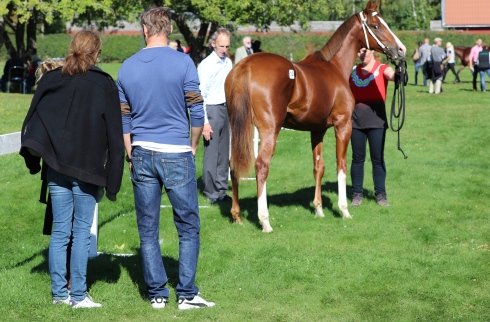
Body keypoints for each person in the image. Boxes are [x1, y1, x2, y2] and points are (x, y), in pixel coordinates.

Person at [116, 7, 215, 310]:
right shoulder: (184, 62)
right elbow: (196, 111)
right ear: (169, 29)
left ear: (145, 29)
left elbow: (124, 117)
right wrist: (194, 144)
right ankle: (186, 294)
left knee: (148, 228)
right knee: (188, 226)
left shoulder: (126, 67)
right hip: (176, 152)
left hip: (141, 152)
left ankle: (157, 293)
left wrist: (130, 151)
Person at [19, 30, 124, 308]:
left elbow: (32, 120)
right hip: (87, 169)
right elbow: (115, 132)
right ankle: (77, 295)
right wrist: (114, 179)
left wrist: (36, 158)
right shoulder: (103, 84)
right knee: (79, 232)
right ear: (97, 53)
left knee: (61, 231)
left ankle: (59, 295)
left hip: (57, 166)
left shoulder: (53, 79)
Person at [349, 48, 400, 207]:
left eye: (365, 51)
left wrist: (400, 71)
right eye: (359, 51)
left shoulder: (382, 68)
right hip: (356, 123)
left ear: (372, 51)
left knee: (377, 160)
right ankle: (357, 195)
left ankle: (381, 196)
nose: (361, 54)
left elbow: (393, 76)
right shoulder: (352, 72)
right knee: (357, 159)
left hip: (377, 122)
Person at [197, 28, 233, 204]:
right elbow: (200, 96)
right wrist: (205, 123)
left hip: (226, 109)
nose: (224, 49)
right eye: (221, 46)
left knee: (224, 153)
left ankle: (222, 190)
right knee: (212, 153)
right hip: (211, 110)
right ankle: (211, 192)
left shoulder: (228, 63)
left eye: (227, 46)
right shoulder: (206, 65)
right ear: (213, 44)